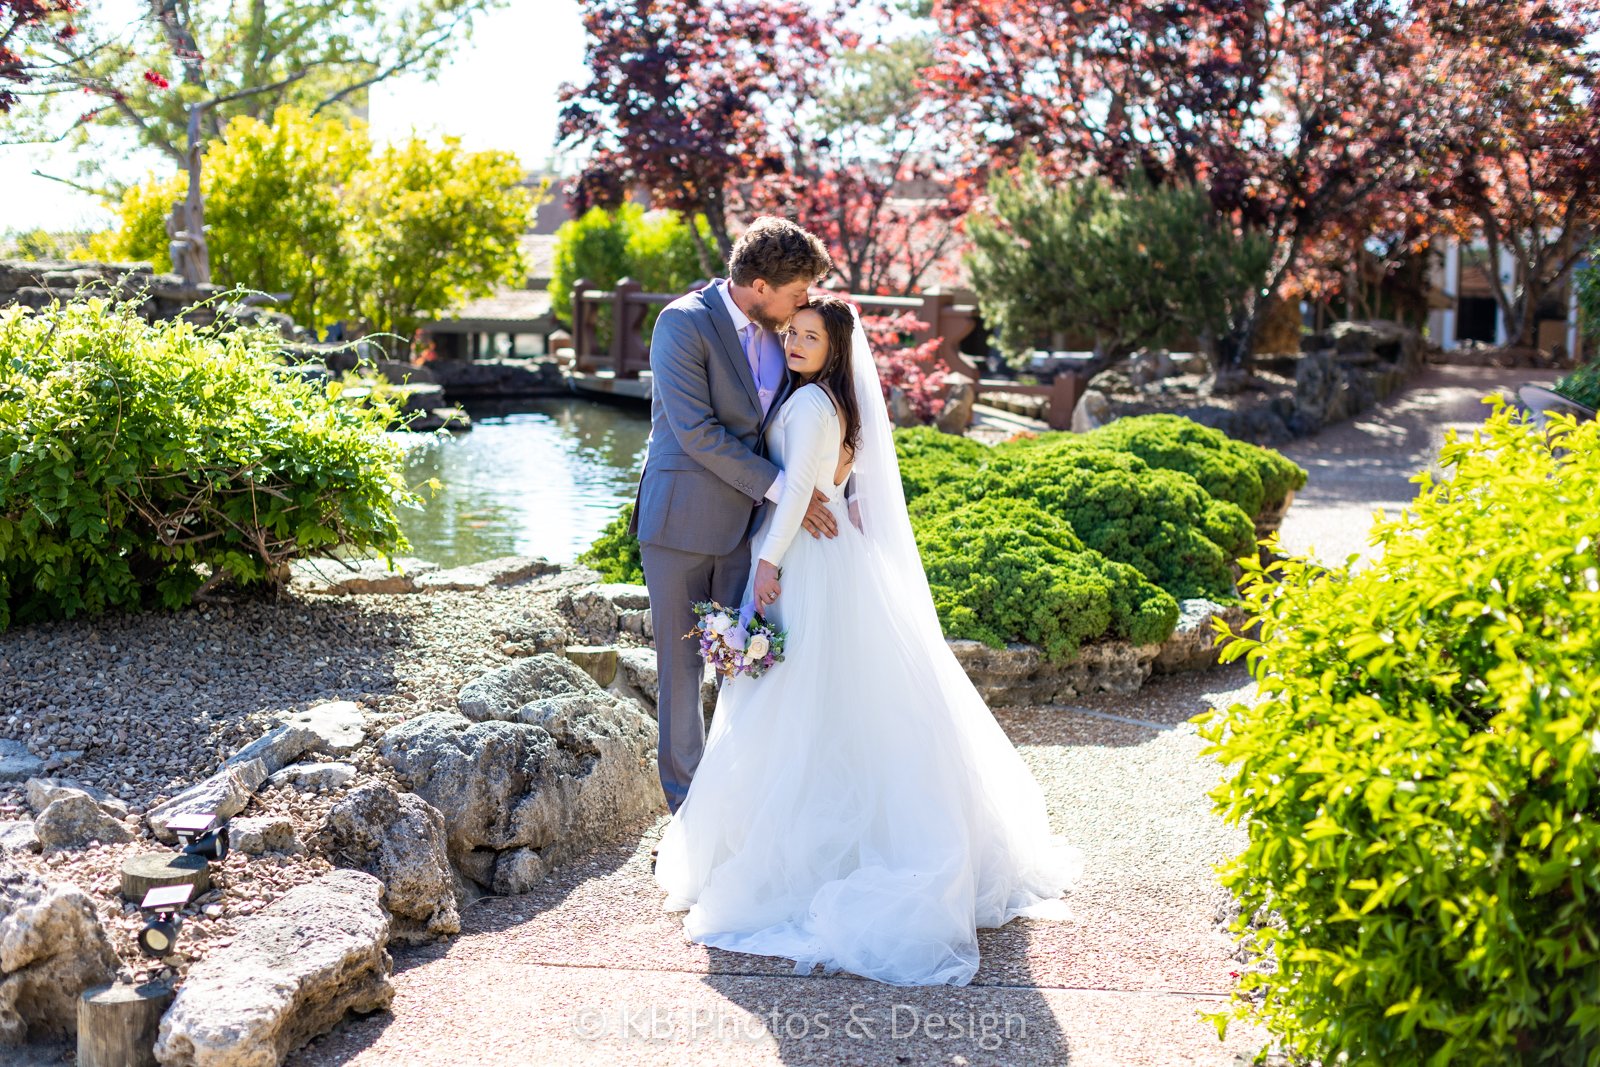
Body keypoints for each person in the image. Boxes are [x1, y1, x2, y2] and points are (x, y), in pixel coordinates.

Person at [653, 295, 1083, 987]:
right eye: (790, 332)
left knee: (795, 703)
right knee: (824, 701)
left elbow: (796, 489)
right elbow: (827, 482)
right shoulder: (831, 404)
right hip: (832, 558)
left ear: (835, 347)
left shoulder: (809, 407)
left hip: (801, 562)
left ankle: (811, 856)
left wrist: (767, 562)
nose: (793, 342)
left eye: (809, 336)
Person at [629, 218, 840, 819]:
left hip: (751, 530)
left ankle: (742, 807)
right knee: (681, 669)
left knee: (747, 663)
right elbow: (696, 432)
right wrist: (786, 492)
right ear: (758, 283)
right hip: (681, 525)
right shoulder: (681, 324)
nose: (805, 304)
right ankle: (689, 816)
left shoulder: (782, 331)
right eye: (797, 292)